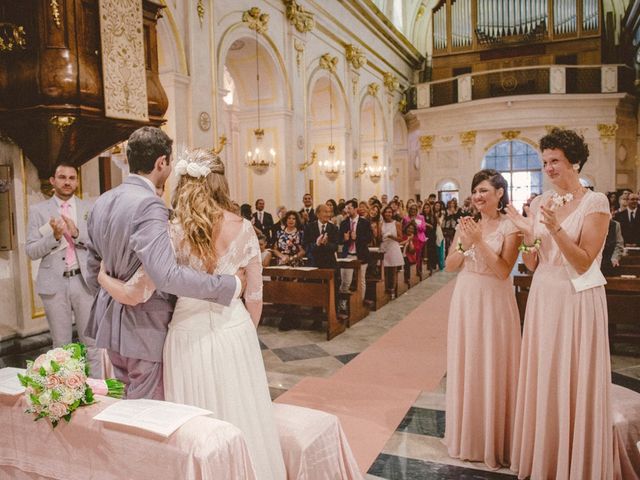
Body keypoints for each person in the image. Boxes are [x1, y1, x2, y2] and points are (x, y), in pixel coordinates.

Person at [97, 148, 286, 480]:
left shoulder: (173, 232)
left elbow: (136, 292)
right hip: (234, 331)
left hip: (186, 338)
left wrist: (103, 279)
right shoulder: (244, 228)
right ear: (220, 182)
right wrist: (243, 332)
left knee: (195, 423)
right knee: (244, 416)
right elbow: (254, 297)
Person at [85, 127, 242, 400]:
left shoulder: (103, 200)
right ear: (162, 162)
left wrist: (117, 290)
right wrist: (228, 284)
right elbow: (166, 275)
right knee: (149, 415)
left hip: (110, 327)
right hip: (145, 329)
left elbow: (91, 271)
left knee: (123, 409)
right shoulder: (149, 205)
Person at [506, 128, 614, 479]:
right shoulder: (540, 203)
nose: (549, 168)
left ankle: (576, 459)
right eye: (545, 162)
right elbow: (534, 263)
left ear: (575, 162)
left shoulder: (595, 203)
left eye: (555, 161)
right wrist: (526, 235)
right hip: (544, 293)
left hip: (576, 296)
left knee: (571, 371)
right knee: (545, 371)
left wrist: (554, 230)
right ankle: (545, 455)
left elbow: (584, 261)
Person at [443, 169, 521, 469]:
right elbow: (450, 266)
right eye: (475, 191)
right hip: (466, 296)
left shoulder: (511, 226)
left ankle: (495, 438)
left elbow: (503, 271)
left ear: (500, 193)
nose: (478, 196)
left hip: (494, 299)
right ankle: (469, 435)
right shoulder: (466, 225)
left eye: (484, 190)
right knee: (468, 362)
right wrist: (464, 242)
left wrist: (479, 242)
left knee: (492, 362)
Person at [26, 164, 102, 377]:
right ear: (52, 180)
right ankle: (67, 395)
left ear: (77, 181)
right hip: (54, 284)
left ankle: (98, 392)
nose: (67, 182)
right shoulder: (38, 211)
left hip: (84, 281)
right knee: (61, 346)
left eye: (71, 178)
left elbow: (99, 244)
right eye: (62, 177)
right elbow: (31, 250)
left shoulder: (89, 208)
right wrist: (55, 237)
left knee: (92, 343)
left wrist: (76, 232)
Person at [339, 199, 371, 300]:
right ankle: (343, 305)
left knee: (361, 281)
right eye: (346, 208)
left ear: (356, 209)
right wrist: (344, 239)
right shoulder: (344, 223)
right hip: (347, 254)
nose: (347, 210)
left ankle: (360, 303)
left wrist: (356, 238)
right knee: (345, 281)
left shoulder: (364, 222)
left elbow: (369, 238)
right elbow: (339, 239)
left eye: (349, 208)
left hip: (361, 255)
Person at [304, 204, 339, 269]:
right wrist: (317, 244)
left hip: (329, 264)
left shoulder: (334, 228)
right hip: (313, 263)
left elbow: (336, 247)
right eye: (325, 212)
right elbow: (306, 246)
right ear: (317, 214)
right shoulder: (309, 227)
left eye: (330, 212)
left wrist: (326, 244)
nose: (328, 215)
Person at [380, 206, 403, 297]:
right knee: (385, 269)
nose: (388, 214)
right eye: (386, 212)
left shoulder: (396, 223)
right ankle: (386, 289)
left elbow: (400, 238)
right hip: (384, 247)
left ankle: (392, 289)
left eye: (389, 212)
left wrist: (391, 236)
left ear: (392, 213)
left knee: (393, 270)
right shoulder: (381, 223)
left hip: (393, 247)